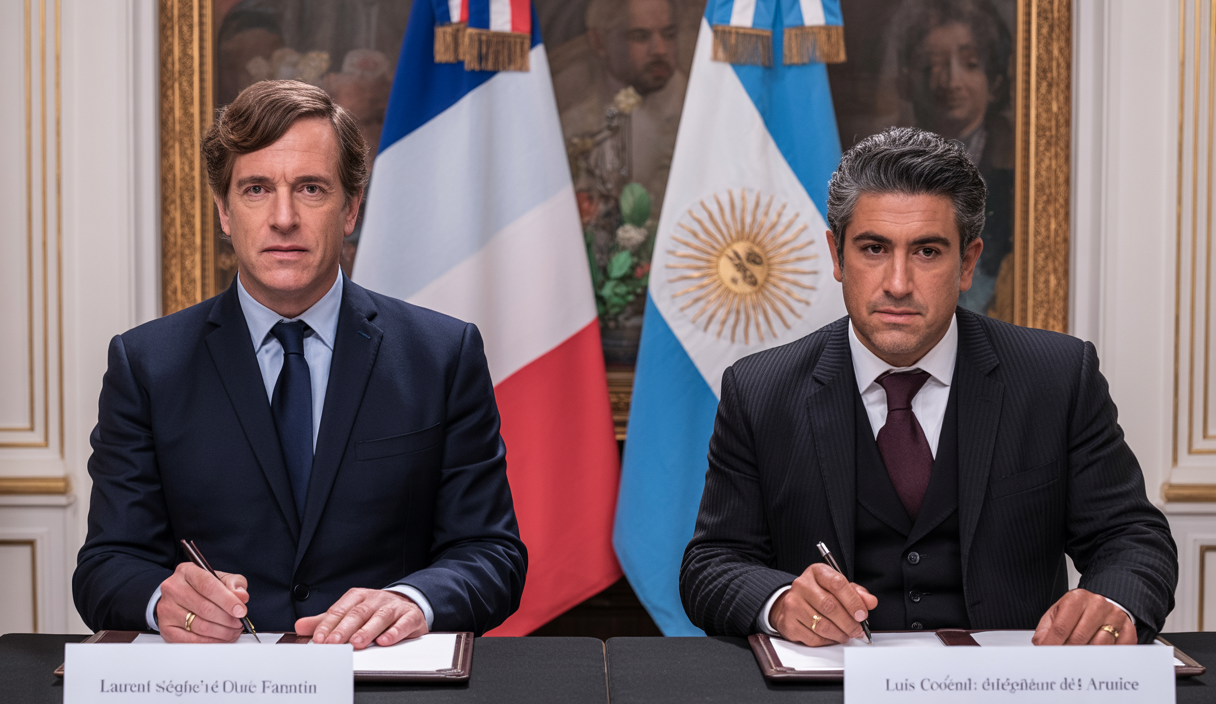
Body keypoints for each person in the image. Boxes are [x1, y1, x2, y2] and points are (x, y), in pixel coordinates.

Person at [680, 127, 1177, 647]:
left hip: (1012, 682)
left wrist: (1112, 603)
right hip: (832, 682)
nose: (897, 283)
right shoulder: (759, 391)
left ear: (967, 263)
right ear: (837, 256)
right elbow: (713, 563)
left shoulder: (1058, 376)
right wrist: (780, 602)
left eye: (927, 252)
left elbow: (1131, 537)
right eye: (874, 248)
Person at [73, 80, 527, 646]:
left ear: (351, 209)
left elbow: (491, 553)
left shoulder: (442, 354)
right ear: (224, 211)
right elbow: (106, 565)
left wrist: (413, 601)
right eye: (256, 189)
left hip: (379, 675)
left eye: (310, 188)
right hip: (219, 680)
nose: (283, 217)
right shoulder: (146, 365)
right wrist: (163, 600)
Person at [894, 0, 1013, 316]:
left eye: (971, 64)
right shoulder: (880, 165)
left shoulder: (1016, 175)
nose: (950, 82)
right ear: (906, 80)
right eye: (932, 66)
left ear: (995, 83)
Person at [554, 0, 687, 215]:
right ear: (599, 42)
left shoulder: (694, 108)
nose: (660, 50)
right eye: (640, 37)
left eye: (669, 34)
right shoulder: (571, 116)